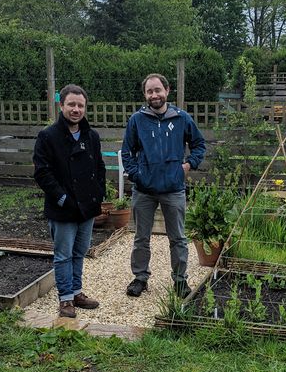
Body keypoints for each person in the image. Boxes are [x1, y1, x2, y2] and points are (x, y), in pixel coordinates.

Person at [121, 73, 206, 299]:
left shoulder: (182, 118)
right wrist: (137, 175)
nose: (154, 95)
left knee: (178, 237)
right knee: (141, 237)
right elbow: (127, 152)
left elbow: (199, 144)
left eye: (158, 90)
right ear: (145, 95)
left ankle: (180, 281)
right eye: (149, 91)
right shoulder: (137, 120)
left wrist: (188, 165)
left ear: (167, 91)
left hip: (173, 189)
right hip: (144, 190)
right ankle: (140, 278)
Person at [33, 84, 105, 318]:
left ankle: (76, 292)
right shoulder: (48, 136)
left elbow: (99, 168)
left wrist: (98, 195)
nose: (76, 109)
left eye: (80, 105)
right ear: (61, 105)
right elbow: (42, 173)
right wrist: (62, 198)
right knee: (63, 254)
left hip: (87, 208)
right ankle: (65, 299)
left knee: (79, 252)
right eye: (71, 104)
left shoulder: (91, 136)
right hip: (62, 207)